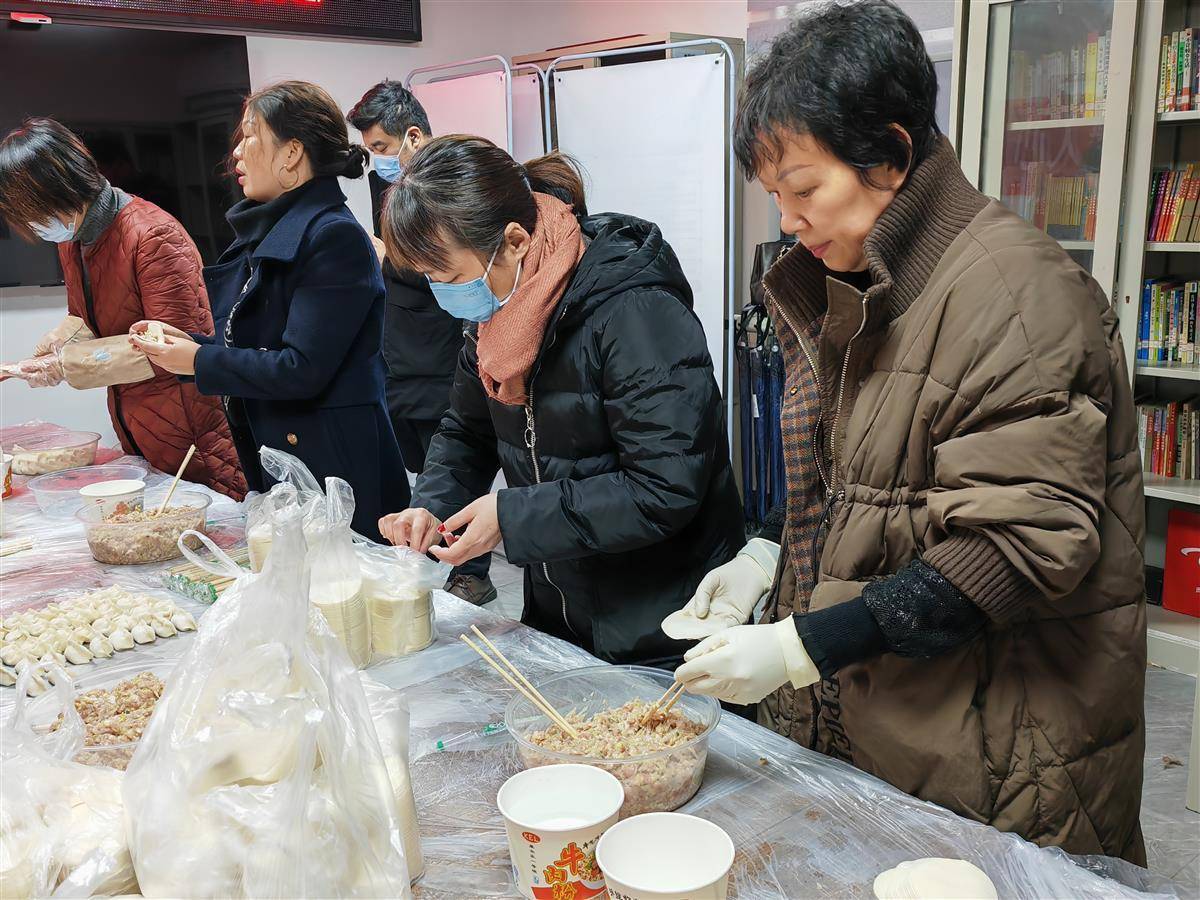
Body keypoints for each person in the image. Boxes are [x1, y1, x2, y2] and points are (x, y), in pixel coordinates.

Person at [667, 0, 1146, 864]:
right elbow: (856, 483)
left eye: (805, 189)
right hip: (892, 722)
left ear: (889, 152)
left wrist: (801, 644)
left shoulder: (1012, 296)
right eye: (775, 196)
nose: (788, 219)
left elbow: (1014, 549)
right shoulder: (859, 285)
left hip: (998, 750)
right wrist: (766, 558)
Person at [377, 136, 744, 667]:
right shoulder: (495, 317)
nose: (445, 294)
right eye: (432, 280)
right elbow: (466, 430)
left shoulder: (633, 311)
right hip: (561, 605)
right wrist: (429, 508)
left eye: (451, 277)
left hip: (664, 618)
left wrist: (514, 517)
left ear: (516, 240)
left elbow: (664, 487)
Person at [131, 81, 408, 541]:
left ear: (291, 154)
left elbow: (301, 368)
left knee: (343, 597)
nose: (236, 153)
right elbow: (255, 347)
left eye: (249, 136)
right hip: (283, 451)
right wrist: (187, 348)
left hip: (334, 464)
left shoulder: (332, 236)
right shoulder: (267, 231)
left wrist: (199, 361)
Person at [0, 118, 246, 499]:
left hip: (188, 428)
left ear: (60, 186)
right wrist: (54, 346)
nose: (33, 225)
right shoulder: (74, 238)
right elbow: (87, 317)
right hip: (134, 419)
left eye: (32, 209)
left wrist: (65, 365)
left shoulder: (151, 235)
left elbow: (167, 347)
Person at [346, 80, 496, 605]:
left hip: (443, 352)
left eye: (382, 149)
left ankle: (470, 569)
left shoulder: (454, 188)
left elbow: (436, 268)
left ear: (414, 135)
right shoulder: (386, 187)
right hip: (402, 352)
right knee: (432, 467)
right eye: (370, 152)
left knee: (458, 453)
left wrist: (384, 256)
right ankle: (442, 559)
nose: (377, 161)